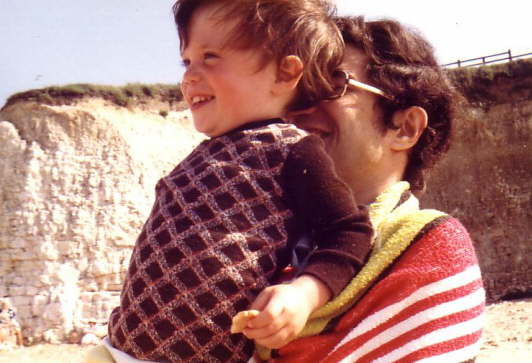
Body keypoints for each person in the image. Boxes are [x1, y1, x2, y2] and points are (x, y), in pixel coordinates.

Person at [103, 1, 373, 362]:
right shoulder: (200, 154)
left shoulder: (291, 149)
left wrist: (303, 295)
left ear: (284, 73)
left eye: (210, 56)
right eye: (186, 62)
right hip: (117, 350)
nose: (189, 77)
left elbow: (348, 230)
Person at [246, 15, 485, 362]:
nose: (296, 110)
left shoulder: (431, 247)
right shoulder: (264, 244)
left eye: (329, 86)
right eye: (293, 90)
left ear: (404, 127)